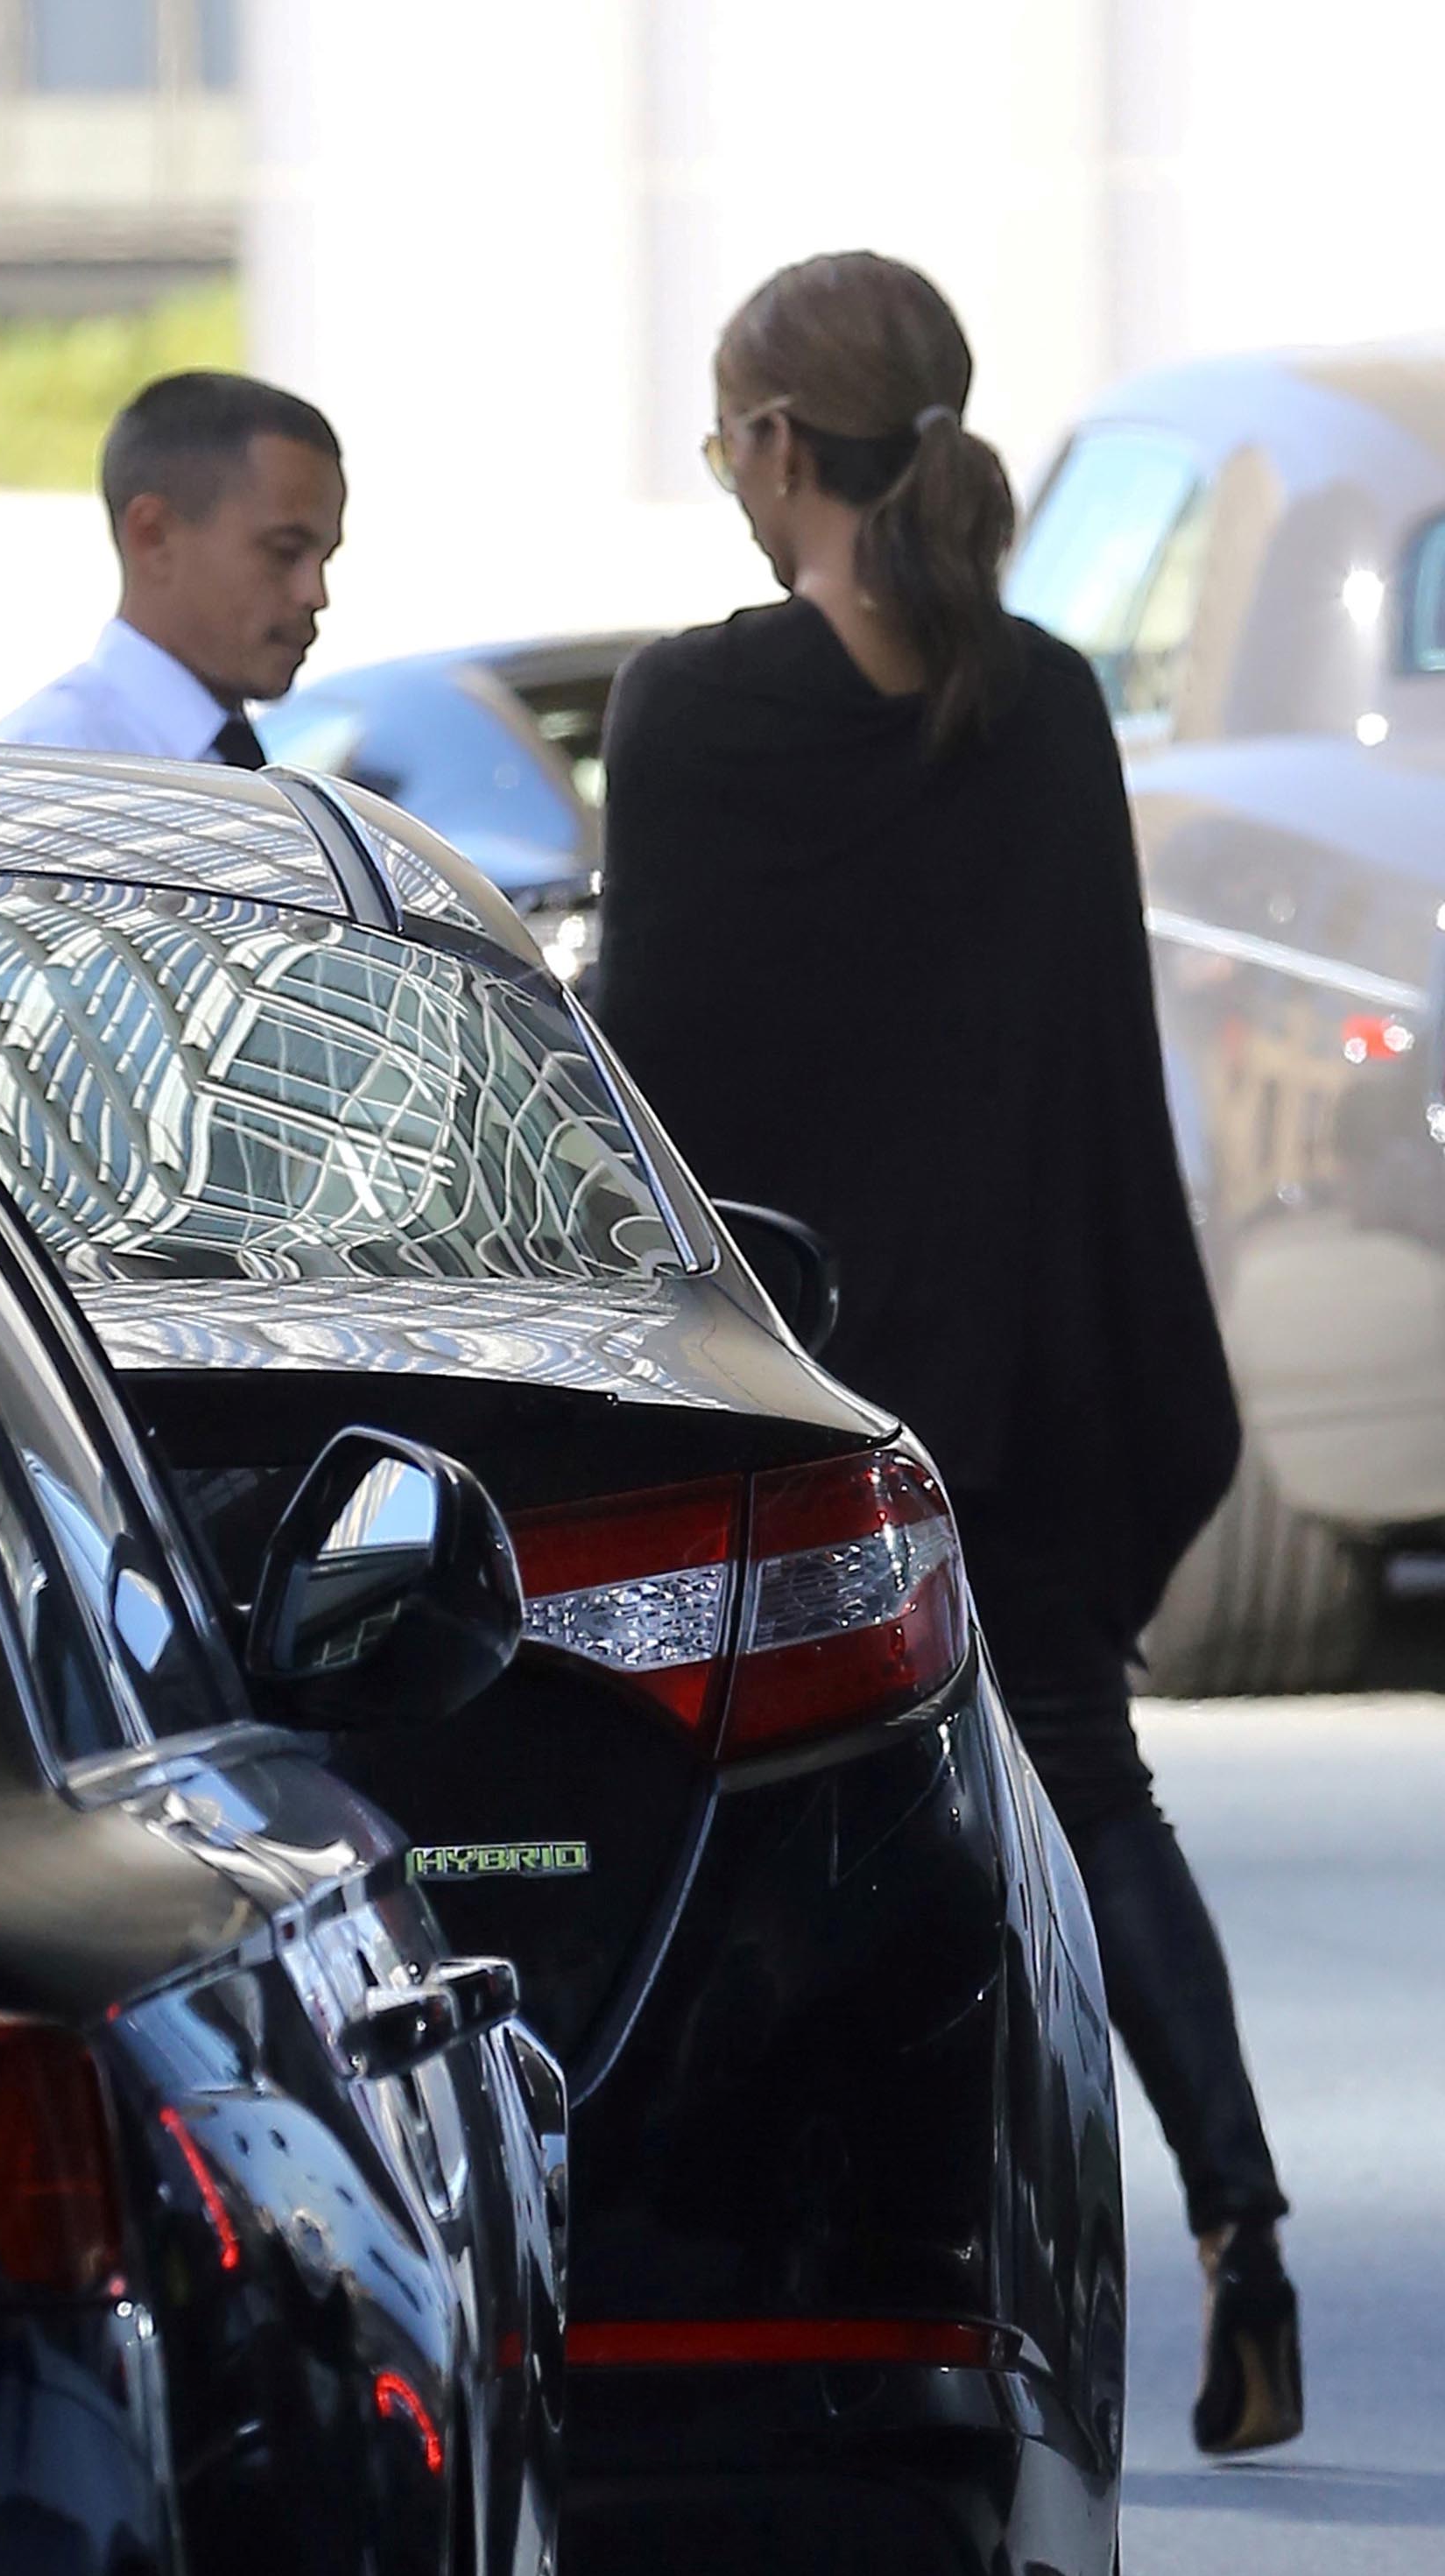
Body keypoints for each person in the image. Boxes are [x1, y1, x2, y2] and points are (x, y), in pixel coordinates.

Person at [592, 250, 1302, 2458]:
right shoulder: (1044, 702)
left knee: (768, 1820)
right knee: (1083, 1787)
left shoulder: (692, 713)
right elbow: (1074, 1061)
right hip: (1017, 1368)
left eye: (727, 444)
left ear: (781, 448)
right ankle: (1236, 2230)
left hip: (792, 1387)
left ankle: (844, 2277)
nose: (726, 484)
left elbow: (664, 1068)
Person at [0, 370, 344, 766]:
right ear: (154, 535)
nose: (315, 594)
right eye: (284, 552)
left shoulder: (235, 755)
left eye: (324, 559)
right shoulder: (52, 764)